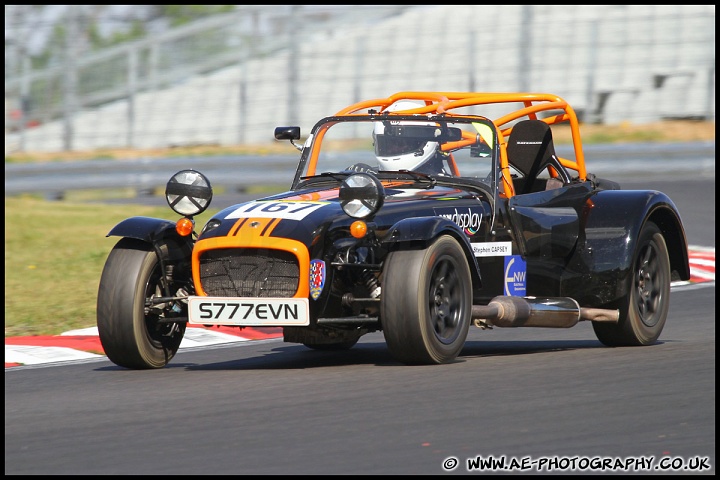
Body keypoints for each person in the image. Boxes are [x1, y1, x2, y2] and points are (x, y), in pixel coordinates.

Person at [345, 100, 453, 176]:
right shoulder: (371, 177)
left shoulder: (446, 188)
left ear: (423, 142)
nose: (394, 149)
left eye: (401, 144)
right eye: (387, 144)